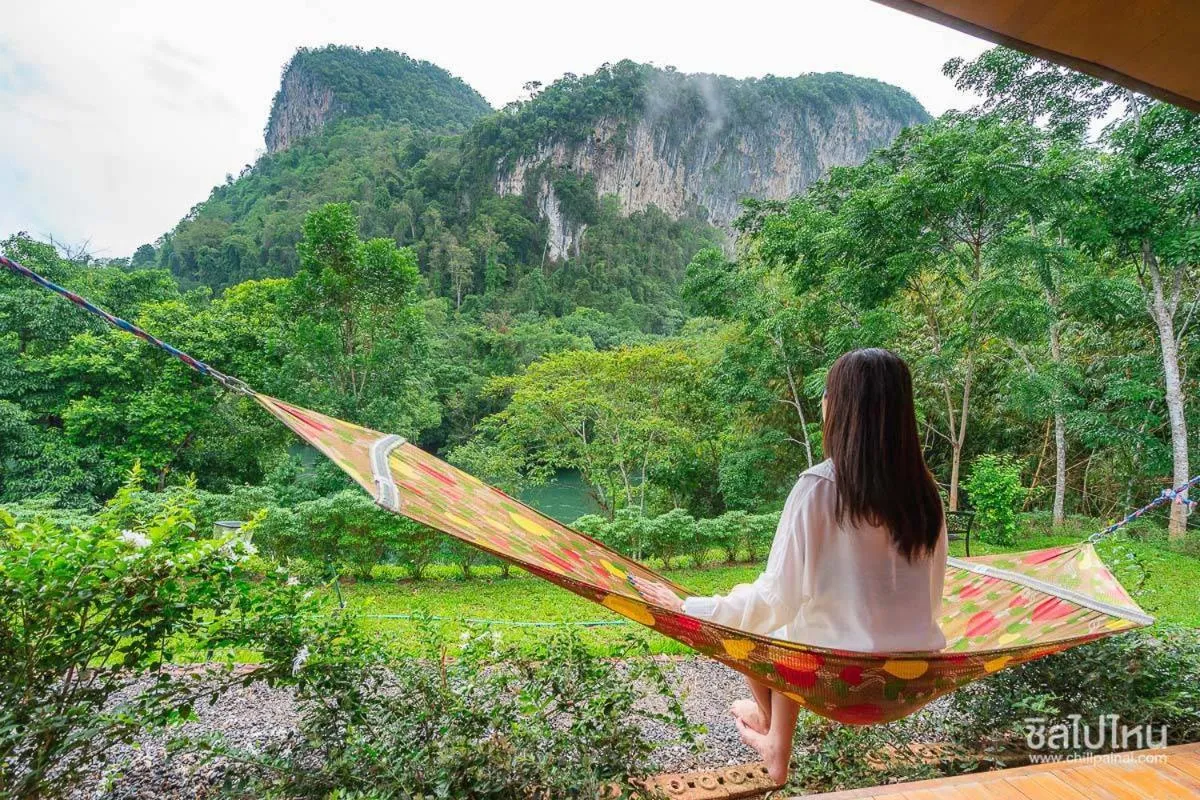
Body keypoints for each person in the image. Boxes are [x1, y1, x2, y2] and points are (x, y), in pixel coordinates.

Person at [632, 348, 947, 785]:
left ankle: (770, 726)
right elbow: (932, 597)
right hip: (911, 678)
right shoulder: (927, 495)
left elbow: (773, 600)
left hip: (841, 678)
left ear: (843, 409)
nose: (822, 403)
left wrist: (686, 609)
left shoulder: (819, 487)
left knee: (754, 624)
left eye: (827, 394)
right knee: (791, 619)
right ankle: (776, 749)